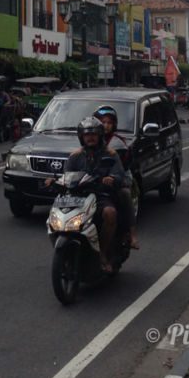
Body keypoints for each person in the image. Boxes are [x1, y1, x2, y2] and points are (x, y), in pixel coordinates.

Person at [65, 117, 127, 273]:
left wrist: (111, 178)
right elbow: (66, 177)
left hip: (100, 196)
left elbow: (119, 175)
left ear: (100, 136)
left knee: (110, 213)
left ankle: (103, 253)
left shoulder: (110, 154)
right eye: (87, 135)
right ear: (82, 137)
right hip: (79, 198)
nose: (90, 137)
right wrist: (52, 181)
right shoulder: (75, 156)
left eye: (94, 134)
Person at [93, 105, 139, 249]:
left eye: (108, 123)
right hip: (95, 179)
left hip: (120, 177)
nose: (105, 126)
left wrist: (113, 177)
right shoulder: (90, 140)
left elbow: (122, 167)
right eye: (102, 122)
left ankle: (132, 235)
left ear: (113, 125)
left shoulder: (118, 143)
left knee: (124, 194)